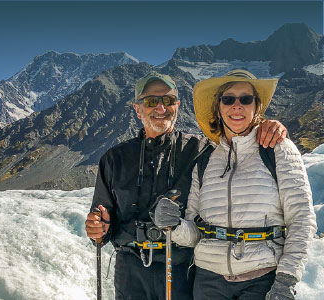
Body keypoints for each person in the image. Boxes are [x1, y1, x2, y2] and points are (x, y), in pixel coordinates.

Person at [85, 70, 287, 300]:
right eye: (151, 101)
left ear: (177, 105)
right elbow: (100, 224)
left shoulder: (201, 151)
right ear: (137, 108)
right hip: (130, 271)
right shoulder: (114, 160)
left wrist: (268, 127)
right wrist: (97, 231)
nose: (161, 109)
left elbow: (239, 142)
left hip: (182, 269)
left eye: (168, 101)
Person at [151, 69, 317, 300]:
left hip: (262, 280)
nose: (236, 106)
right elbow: (195, 232)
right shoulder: (206, 160)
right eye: (228, 99)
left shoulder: (278, 150)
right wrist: (173, 225)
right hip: (208, 282)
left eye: (246, 99)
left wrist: (286, 279)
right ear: (218, 107)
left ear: (256, 107)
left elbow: (301, 219)